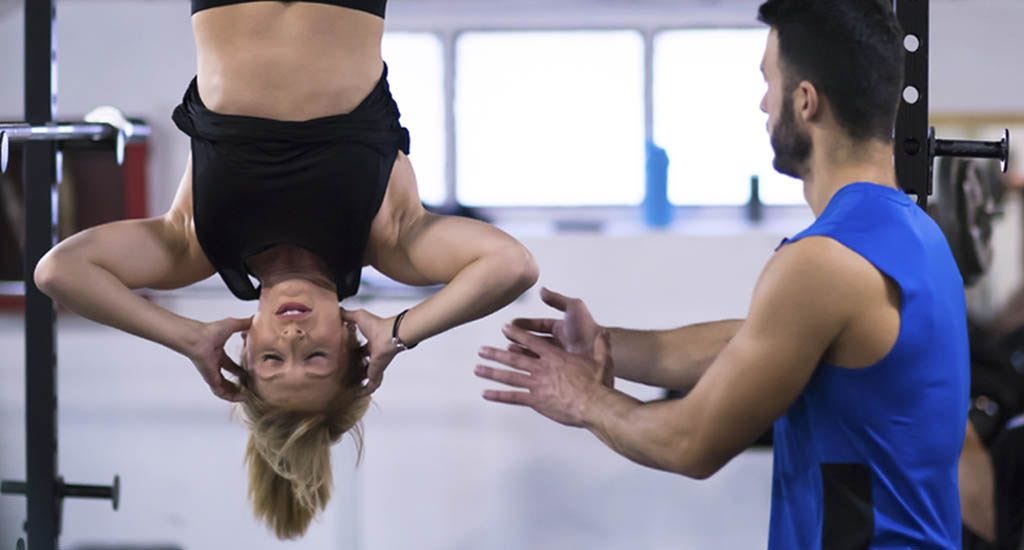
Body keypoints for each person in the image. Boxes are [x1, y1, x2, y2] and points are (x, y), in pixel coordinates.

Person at [33, 0, 538, 539]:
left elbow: (59, 271)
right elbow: (512, 265)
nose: (293, 335)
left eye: (273, 358)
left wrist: (187, 337)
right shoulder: (390, 238)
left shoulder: (195, 243)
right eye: (315, 356)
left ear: (244, 348)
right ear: (350, 345)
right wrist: (398, 332)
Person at [475, 1, 969, 547]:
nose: (763, 103)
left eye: (769, 81)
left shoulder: (823, 263)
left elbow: (691, 443)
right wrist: (602, 345)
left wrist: (583, 398)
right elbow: (757, 342)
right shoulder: (912, 237)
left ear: (805, 101)